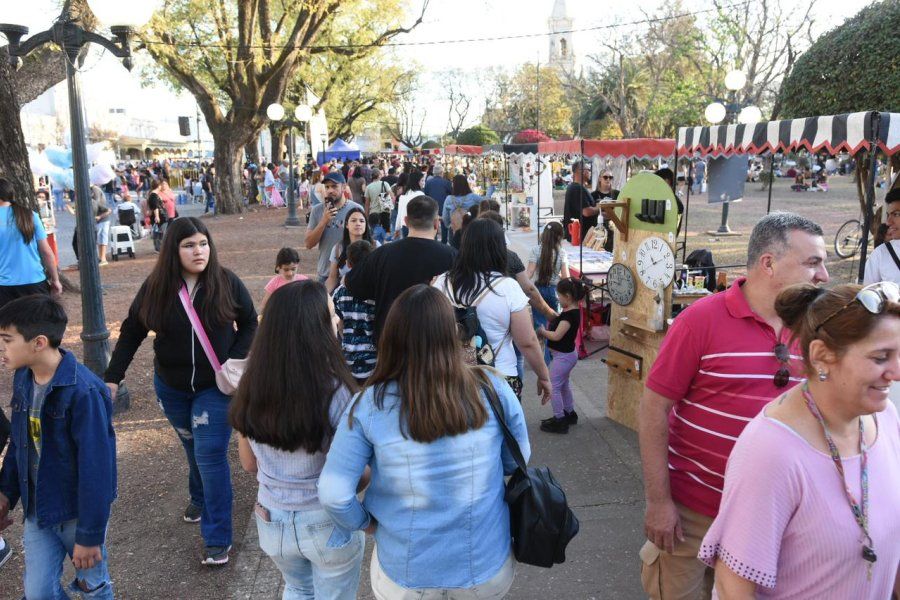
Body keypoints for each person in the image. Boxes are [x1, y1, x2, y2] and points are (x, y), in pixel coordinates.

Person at [637, 212, 829, 600]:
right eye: (813, 263)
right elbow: (653, 408)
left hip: (769, 520)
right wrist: (658, 502)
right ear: (768, 263)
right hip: (693, 514)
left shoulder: (814, 330)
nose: (823, 275)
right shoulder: (699, 321)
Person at [318, 285, 529, 599]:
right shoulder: (492, 388)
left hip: (405, 573)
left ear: (390, 337)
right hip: (484, 565)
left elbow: (334, 494)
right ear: (453, 334)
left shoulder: (369, 405)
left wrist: (365, 523)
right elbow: (517, 460)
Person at [699, 282, 900, 598]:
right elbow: (732, 587)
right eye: (880, 357)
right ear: (821, 356)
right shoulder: (771, 451)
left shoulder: (885, 417)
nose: (897, 372)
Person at [104, 217, 258, 566]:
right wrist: (113, 377)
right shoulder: (156, 288)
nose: (198, 251)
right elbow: (132, 331)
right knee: (191, 444)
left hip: (215, 388)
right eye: (189, 245)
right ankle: (199, 495)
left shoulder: (226, 282)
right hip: (171, 388)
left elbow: (250, 321)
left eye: (203, 243)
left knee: (210, 454)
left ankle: (217, 538)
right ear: (173, 251)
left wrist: (234, 358)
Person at [230, 281, 365, 599]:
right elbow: (352, 476)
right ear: (315, 328)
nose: (338, 320)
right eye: (332, 314)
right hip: (326, 520)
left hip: (271, 519)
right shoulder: (337, 391)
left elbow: (249, 464)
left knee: (297, 589)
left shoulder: (250, 385)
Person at [0, 295, 117, 598]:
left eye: (7, 340)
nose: (1, 348)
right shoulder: (24, 378)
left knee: (93, 586)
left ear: (38, 343)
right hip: (38, 510)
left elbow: (97, 469)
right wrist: (5, 493)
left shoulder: (84, 392)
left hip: (76, 513)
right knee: (38, 592)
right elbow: (19, 443)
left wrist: (89, 535)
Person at [434, 218, 552, 402]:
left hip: (453, 377)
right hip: (499, 376)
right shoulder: (507, 287)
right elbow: (527, 342)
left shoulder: (442, 282)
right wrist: (543, 376)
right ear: (499, 248)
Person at [345, 195, 456, 340]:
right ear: (436, 223)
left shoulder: (381, 254)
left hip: (390, 337)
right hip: (435, 339)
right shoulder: (453, 257)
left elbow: (353, 284)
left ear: (406, 221)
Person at [0, 178, 62, 307]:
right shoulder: (30, 215)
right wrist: (55, 279)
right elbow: (46, 252)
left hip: (4, 286)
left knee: (7, 320)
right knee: (38, 320)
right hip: (35, 282)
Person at [536, 277, 585, 434]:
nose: (558, 298)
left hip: (563, 357)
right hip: (566, 356)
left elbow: (557, 336)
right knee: (563, 385)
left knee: (554, 387)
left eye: (559, 295)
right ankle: (569, 413)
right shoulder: (571, 312)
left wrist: (542, 331)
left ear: (568, 296)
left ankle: (560, 420)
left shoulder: (569, 317)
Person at [305, 172, 363, 284]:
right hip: (325, 274)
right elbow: (309, 244)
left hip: (351, 273)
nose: (330, 190)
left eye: (334, 186)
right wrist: (324, 221)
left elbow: (364, 240)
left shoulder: (356, 209)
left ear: (344, 187)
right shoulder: (317, 210)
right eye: (327, 187)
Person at [332, 241, 377, 384]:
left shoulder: (340, 292)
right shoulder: (379, 290)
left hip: (348, 360)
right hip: (375, 363)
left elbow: (337, 323)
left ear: (348, 263)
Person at [527, 221, 569, 363]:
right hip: (555, 292)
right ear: (559, 237)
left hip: (538, 291)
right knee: (554, 326)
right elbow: (566, 277)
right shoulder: (561, 253)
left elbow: (529, 273)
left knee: (540, 325)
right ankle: (552, 357)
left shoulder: (535, 250)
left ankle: (542, 359)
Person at [326, 208, 375, 294]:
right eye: (353, 220)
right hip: (345, 298)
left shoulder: (375, 246)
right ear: (347, 225)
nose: (358, 224)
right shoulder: (338, 248)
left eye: (362, 221)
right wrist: (324, 296)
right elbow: (332, 278)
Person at [863, 188, 900, 286]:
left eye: (896, 214)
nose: (888, 222)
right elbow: (866, 292)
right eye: (888, 215)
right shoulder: (880, 254)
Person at [260, 247, 308, 312]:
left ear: (297, 265)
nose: (290, 273)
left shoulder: (304, 281)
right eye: (286, 269)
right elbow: (265, 304)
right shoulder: (274, 283)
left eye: (293, 269)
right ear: (278, 267)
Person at [562, 161, 597, 242]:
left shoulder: (575, 187)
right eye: (589, 170)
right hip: (580, 237)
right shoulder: (577, 188)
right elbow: (586, 212)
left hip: (578, 236)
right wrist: (599, 208)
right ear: (582, 171)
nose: (590, 172)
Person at [442, 175, 482, 240]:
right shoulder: (473, 197)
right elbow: (486, 203)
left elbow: (445, 217)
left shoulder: (449, 199)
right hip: (470, 229)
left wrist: (449, 226)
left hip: (454, 230)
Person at [592, 169, 620, 252]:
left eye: (610, 177)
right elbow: (592, 213)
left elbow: (620, 212)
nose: (608, 179)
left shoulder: (617, 194)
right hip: (598, 230)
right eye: (605, 177)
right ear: (600, 179)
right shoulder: (593, 195)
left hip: (613, 231)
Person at [423, 165, 452, 243]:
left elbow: (426, 194)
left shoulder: (428, 182)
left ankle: (434, 241)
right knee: (444, 226)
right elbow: (451, 194)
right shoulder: (446, 182)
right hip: (443, 207)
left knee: (433, 226)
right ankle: (444, 242)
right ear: (441, 173)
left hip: (432, 207)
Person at [394, 171, 426, 240]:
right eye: (422, 180)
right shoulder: (420, 194)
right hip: (417, 227)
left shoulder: (403, 196)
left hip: (405, 226)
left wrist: (397, 228)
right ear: (417, 181)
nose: (424, 183)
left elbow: (399, 214)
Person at [90, 184, 113, 266]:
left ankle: (103, 258)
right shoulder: (94, 189)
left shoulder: (95, 189)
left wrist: (99, 216)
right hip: (99, 219)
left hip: (102, 219)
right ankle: (101, 258)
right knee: (99, 239)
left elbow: (98, 203)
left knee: (102, 239)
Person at [364, 169, 393, 233]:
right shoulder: (385, 184)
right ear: (379, 175)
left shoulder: (368, 187)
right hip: (385, 211)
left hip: (374, 212)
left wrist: (366, 216)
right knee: (387, 232)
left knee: (375, 233)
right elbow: (392, 196)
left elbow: (367, 204)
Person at [147, 179, 167, 252]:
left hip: (160, 216)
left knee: (159, 232)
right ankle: (159, 248)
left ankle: (159, 247)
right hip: (160, 217)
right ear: (158, 186)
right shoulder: (153, 195)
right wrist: (157, 216)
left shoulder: (153, 195)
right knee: (160, 232)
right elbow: (155, 207)